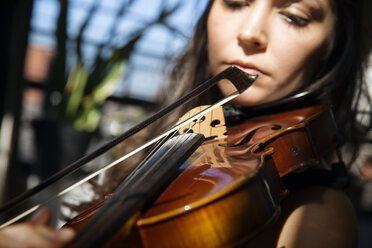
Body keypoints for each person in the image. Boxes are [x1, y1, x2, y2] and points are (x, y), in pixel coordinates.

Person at [0, 0, 371, 247]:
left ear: (332, 48)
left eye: (294, 16)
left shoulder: (318, 214)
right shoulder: (154, 136)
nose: (250, 32)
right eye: (236, 2)